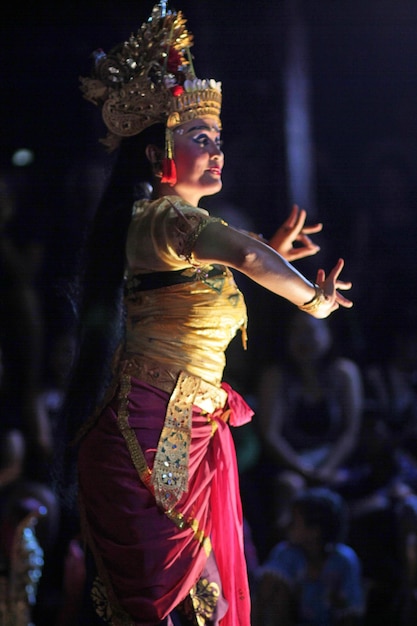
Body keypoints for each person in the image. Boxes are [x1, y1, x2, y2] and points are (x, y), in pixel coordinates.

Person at [67, 3, 353, 625]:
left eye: (218, 141)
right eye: (200, 139)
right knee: (186, 605)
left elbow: (223, 270)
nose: (216, 151)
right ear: (155, 153)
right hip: (152, 428)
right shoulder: (165, 217)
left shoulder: (177, 233)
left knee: (205, 604)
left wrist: (272, 254)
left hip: (187, 425)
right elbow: (244, 257)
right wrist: (316, 298)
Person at [256, 310, 363, 542]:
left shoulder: (344, 373)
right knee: (289, 485)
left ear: (327, 334)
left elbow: (350, 432)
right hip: (290, 462)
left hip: (335, 461)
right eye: (295, 331)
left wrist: (327, 469)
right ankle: (288, 561)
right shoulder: (276, 376)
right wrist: (304, 470)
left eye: (310, 331)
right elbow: (270, 434)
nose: (303, 339)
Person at [252, 487, 365, 626]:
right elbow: (266, 592)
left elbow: (351, 609)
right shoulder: (287, 553)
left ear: (315, 531)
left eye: (294, 521)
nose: (287, 525)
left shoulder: (344, 560)